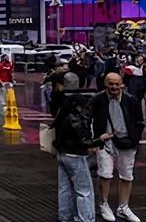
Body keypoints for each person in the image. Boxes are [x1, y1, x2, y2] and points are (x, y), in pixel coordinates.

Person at [91, 73, 144, 222]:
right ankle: (103, 204)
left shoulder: (131, 100)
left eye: (117, 84)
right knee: (105, 174)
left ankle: (123, 207)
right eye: (111, 83)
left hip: (127, 141)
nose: (114, 87)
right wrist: (95, 140)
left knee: (127, 175)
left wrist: (135, 139)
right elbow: (89, 118)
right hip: (105, 141)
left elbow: (139, 121)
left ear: (122, 84)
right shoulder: (98, 99)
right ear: (105, 84)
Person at [53, 94, 112, 222]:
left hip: (63, 154)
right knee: (84, 190)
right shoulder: (76, 120)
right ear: (78, 106)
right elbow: (84, 142)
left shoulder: (63, 116)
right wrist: (99, 140)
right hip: (75, 156)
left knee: (64, 188)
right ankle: (86, 218)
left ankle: (65, 217)